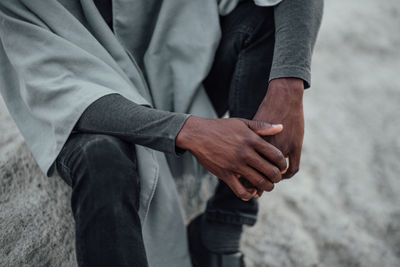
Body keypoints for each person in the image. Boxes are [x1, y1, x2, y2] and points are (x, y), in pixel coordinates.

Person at [0, 0, 323, 266]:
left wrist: (288, 87)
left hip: (185, 78)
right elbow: (59, 91)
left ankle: (221, 231)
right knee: (101, 157)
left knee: (264, 15)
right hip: (88, 101)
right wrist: (191, 132)